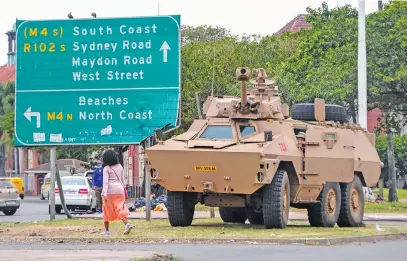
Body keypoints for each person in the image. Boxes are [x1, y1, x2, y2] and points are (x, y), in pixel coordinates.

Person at [101, 149, 133, 236]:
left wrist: (105, 194)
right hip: (120, 190)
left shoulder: (106, 169)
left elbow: (105, 183)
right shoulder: (120, 167)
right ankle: (127, 224)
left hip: (110, 191)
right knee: (120, 208)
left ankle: (107, 231)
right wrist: (125, 190)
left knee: (106, 209)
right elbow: (123, 180)